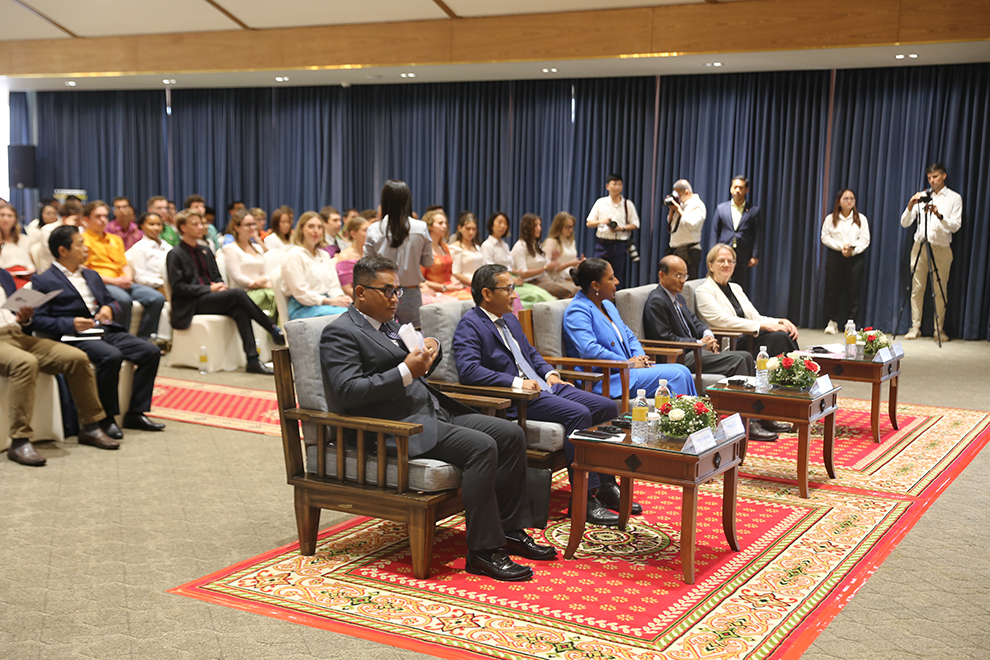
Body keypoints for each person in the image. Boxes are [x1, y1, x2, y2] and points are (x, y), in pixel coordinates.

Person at [322, 256, 555, 581]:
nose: (394, 299)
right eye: (387, 291)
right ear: (360, 292)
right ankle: (483, 552)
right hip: (398, 427)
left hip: (431, 410)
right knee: (482, 446)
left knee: (510, 434)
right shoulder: (340, 333)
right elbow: (347, 391)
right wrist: (406, 372)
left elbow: (415, 356)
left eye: (397, 291)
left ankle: (511, 530)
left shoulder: (388, 324)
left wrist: (431, 346)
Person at [454, 264, 636, 525]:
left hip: (546, 386)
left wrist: (550, 373)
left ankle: (605, 485)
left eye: (513, 288)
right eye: (508, 289)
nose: (515, 295)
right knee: (580, 415)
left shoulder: (510, 320)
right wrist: (516, 383)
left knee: (606, 407)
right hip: (520, 400)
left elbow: (532, 354)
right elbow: (469, 371)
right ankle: (583, 501)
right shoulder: (470, 325)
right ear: (486, 293)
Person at [30, 226, 165, 439]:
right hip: (73, 336)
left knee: (150, 351)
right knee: (111, 356)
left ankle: (135, 411)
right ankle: (106, 417)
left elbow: (111, 301)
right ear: (63, 250)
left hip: (104, 329)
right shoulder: (43, 280)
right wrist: (71, 323)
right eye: (80, 244)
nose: (86, 248)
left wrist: (109, 308)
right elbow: (38, 320)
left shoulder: (91, 275)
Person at [643, 255, 780, 441]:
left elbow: (696, 322)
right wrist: (699, 344)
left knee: (747, 356)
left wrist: (708, 334)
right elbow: (665, 338)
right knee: (740, 358)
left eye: (685, 276)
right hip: (679, 358)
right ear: (662, 275)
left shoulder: (678, 298)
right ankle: (750, 422)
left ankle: (760, 415)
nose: (683, 281)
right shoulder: (657, 301)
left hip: (695, 351)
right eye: (678, 276)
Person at [1, 268, 120, 465]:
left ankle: (90, 426)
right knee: (25, 363)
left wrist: (24, 317)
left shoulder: (3, 275)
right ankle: (19, 440)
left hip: (16, 334)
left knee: (77, 358)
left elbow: (18, 318)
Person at [166, 210, 285, 375]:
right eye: (195, 224)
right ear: (183, 228)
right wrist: (209, 288)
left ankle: (252, 360)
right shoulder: (175, 254)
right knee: (237, 294)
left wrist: (219, 285)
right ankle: (271, 328)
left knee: (240, 310)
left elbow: (216, 277)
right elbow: (178, 287)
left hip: (209, 298)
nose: (201, 227)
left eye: (202, 223)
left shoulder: (205, 250)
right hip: (190, 303)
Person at [563, 258, 696, 400]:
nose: (617, 282)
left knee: (684, 371)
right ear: (595, 285)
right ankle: (679, 420)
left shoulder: (607, 305)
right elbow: (589, 349)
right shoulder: (578, 311)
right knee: (677, 376)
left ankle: (696, 417)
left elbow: (629, 336)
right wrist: (627, 363)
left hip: (627, 370)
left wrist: (639, 357)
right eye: (611, 278)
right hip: (607, 379)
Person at [695, 244, 799, 357]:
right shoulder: (703, 291)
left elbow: (755, 317)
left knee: (786, 332)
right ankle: (799, 369)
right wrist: (763, 326)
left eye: (730, 261)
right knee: (779, 337)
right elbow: (722, 320)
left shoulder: (735, 288)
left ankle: (801, 368)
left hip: (749, 337)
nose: (726, 265)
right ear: (710, 266)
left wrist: (780, 321)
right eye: (721, 261)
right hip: (731, 342)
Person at [81, 200, 166, 339]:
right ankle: (121, 339)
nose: (103, 220)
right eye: (98, 216)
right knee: (123, 300)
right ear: (86, 219)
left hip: (122, 281)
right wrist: (115, 281)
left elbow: (124, 264)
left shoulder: (115, 239)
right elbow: (85, 271)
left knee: (156, 298)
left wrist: (127, 278)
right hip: (103, 283)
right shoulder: (83, 240)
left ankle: (143, 339)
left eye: (105, 216)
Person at [900, 162, 962, 341]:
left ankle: (938, 329)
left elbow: (955, 226)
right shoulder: (923, 196)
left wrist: (939, 214)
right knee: (917, 288)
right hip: (920, 245)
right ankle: (915, 326)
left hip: (941, 248)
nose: (932, 181)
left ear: (943, 176)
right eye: (929, 178)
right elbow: (905, 222)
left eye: (935, 177)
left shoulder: (954, 198)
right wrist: (912, 204)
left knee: (940, 288)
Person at [362, 180, 433, 326]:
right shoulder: (421, 227)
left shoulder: (374, 229)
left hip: (382, 291)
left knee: (383, 337)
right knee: (413, 338)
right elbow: (428, 262)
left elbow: (367, 265)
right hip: (411, 293)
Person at [281, 211, 352, 320]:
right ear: (301, 229)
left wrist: (340, 298)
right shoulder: (293, 256)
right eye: (311, 227)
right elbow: (301, 293)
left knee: (360, 313)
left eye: (319, 227)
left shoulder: (324, 255)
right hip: (303, 307)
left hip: (326, 303)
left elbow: (333, 285)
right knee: (349, 317)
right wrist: (329, 301)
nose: (316, 231)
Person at [821, 189, 871, 333]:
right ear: (839, 201)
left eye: (852, 199)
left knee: (853, 290)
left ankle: (851, 323)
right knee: (832, 289)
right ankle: (832, 321)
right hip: (835, 256)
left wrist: (852, 250)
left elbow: (865, 239)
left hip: (855, 257)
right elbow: (825, 237)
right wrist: (840, 247)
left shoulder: (861, 218)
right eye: (846, 199)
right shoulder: (831, 218)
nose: (849, 201)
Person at [480, 211, 552, 310]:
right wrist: (511, 280)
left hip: (510, 280)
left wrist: (517, 272)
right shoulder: (487, 245)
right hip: (499, 283)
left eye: (505, 224)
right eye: (499, 222)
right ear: (491, 225)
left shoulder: (505, 245)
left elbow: (509, 267)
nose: (503, 226)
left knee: (543, 293)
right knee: (536, 296)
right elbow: (489, 272)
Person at [222, 209, 277, 323]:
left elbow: (266, 273)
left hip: (261, 288)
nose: (252, 228)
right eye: (247, 225)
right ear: (236, 227)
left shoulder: (257, 248)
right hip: (244, 293)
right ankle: (277, 333)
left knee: (282, 296)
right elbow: (237, 277)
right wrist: (255, 283)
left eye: (253, 224)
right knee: (278, 297)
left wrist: (262, 280)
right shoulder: (230, 249)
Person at [585, 173, 639, 287]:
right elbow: (589, 223)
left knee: (617, 276)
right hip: (602, 244)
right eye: (614, 184)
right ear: (607, 186)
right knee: (598, 273)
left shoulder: (627, 204)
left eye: (620, 184)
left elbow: (636, 224)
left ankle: (614, 301)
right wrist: (602, 221)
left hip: (620, 244)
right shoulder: (601, 202)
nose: (617, 187)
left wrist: (621, 228)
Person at [709, 176, 761, 292]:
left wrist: (754, 255)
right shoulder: (721, 208)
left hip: (743, 254)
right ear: (731, 189)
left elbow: (756, 234)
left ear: (746, 190)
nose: (738, 190)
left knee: (740, 285)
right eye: (735, 187)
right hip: (723, 252)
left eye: (741, 188)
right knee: (720, 283)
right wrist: (713, 252)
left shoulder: (753, 210)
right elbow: (714, 231)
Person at [511, 213, 574, 300]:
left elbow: (549, 268)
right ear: (527, 228)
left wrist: (554, 260)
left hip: (544, 278)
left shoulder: (536, 246)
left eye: (540, 225)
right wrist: (544, 268)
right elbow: (523, 273)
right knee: (570, 291)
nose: (539, 228)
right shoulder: (520, 247)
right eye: (535, 226)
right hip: (531, 282)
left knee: (577, 289)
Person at [420, 209, 472, 303]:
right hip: (436, 291)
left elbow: (449, 272)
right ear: (430, 226)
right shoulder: (423, 248)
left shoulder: (444, 247)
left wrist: (455, 282)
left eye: (445, 223)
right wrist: (444, 287)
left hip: (449, 288)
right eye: (440, 223)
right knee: (468, 299)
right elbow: (421, 280)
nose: (444, 226)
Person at [665, 179, 707, 280]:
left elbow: (692, 224)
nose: (677, 197)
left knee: (687, 285)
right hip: (675, 250)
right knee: (672, 282)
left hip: (689, 252)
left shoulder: (697, 205)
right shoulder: (681, 204)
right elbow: (671, 224)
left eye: (678, 194)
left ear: (686, 192)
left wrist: (679, 209)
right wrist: (672, 208)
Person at [124, 212, 171, 294]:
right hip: (153, 289)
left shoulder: (167, 246)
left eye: (159, 224)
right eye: (151, 224)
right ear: (142, 226)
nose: (156, 228)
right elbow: (140, 278)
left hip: (171, 285)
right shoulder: (139, 248)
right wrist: (162, 282)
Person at [541, 212, 582, 298]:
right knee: (577, 291)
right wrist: (570, 263)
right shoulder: (551, 242)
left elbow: (573, 265)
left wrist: (580, 263)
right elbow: (547, 268)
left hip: (571, 278)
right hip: (556, 279)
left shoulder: (571, 242)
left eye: (572, 227)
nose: (570, 230)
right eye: (567, 227)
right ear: (559, 227)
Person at [0, 203, 34, 287]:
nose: (6, 219)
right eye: (2, 215)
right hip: (4, 279)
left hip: (24, 277)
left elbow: (28, 262)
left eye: (10, 216)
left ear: (15, 219)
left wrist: (31, 270)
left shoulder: (24, 239)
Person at [335, 215, 370, 298]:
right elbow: (347, 289)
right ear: (353, 234)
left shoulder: (370, 253)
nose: (369, 233)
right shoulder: (345, 256)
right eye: (365, 230)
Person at [449, 211, 483, 288]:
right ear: (460, 228)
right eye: (468, 228)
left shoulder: (477, 247)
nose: (471, 232)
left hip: (478, 284)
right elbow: (455, 272)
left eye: (473, 229)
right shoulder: (455, 248)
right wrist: (473, 283)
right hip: (464, 285)